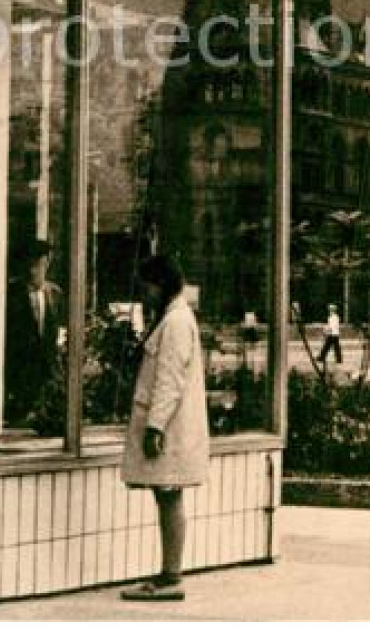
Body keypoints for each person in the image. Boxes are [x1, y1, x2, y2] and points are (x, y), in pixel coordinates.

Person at [120, 255, 209, 601]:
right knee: (166, 495)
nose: (145, 295)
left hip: (169, 427)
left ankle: (171, 575)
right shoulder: (173, 318)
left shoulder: (175, 322)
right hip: (170, 424)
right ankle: (169, 571)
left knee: (169, 495)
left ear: (161, 284)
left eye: (147, 287)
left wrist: (155, 427)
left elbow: (169, 379)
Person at [4, 241, 63, 424]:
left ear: (47, 264)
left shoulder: (55, 293)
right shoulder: (12, 293)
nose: (33, 271)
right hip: (20, 366)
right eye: (30, 265)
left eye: (39, 265)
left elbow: (57, 328)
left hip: (46, 364)